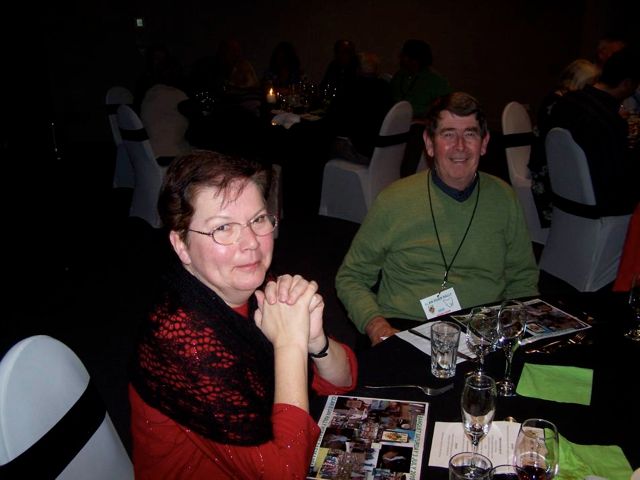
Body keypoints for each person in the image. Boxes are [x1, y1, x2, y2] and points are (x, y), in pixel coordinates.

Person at [129, 151, 357, 478]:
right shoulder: (180, 341)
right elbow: (284, 473)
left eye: (258, 220)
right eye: (223, 227)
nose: (251, 243)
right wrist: (290, 344)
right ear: (181, 245)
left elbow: (344, 380)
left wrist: (315, 341)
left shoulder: (258, 286)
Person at [335, 92, 539, 345]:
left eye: (470, 134)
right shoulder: (394, 200)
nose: (460, 146)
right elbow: (351, 277)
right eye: (448, 134)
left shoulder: (504, 198)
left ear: (484, 143)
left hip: (482, 331)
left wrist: (510, 329)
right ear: (429, 144)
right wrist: (377, 326)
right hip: (406, 327)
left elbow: (523, 279)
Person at [549, 47, 640, 217]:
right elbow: (618, 178)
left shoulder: (566, 102)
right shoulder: (608, 120)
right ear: (627, 83)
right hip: (598, 206)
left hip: (561, 197)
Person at [530, 58, 600, 226]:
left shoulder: (565, 101)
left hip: (555, 162)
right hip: (548, 165)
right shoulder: (559, 104)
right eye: (589, 84)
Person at [390, 39, 452, 176]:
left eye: (405, 56)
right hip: (397, 121)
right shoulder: (400, 76)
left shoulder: (434, 80)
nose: (402, 59)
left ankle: (406, 176)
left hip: (421, 123)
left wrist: (424, 118)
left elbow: (445, 107)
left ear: (415, 59)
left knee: (417, 132)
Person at [327, 52, 394, 164]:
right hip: (383, 151)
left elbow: (335, 119)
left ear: (357, 69)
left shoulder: (351, 88)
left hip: (362, 152)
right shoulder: (386, 87)